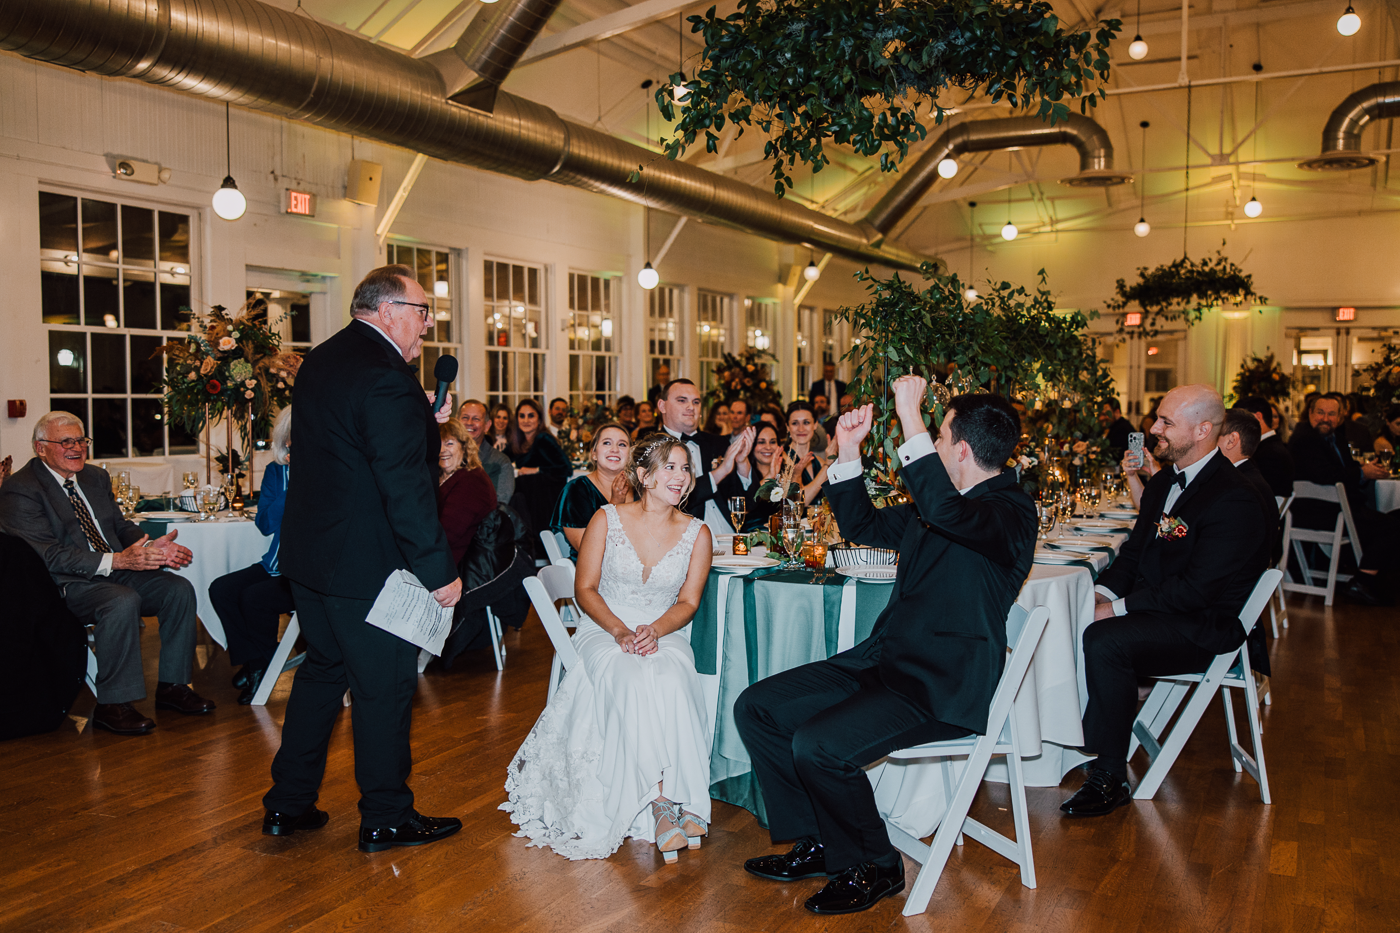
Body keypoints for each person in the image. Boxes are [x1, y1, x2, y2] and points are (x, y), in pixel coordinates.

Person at [735, 380, 1036, 915]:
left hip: (939, 686)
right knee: (758, 707)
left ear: (959, 448)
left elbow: (948, 515)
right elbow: (862, 524)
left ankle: (876, 863)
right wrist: (847, 452)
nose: (930, 445)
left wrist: (907, 412)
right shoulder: (938, 503)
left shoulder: (1009, 511)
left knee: (819, 746)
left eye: (937, 437)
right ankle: (823, 842)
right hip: (884, 661)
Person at [262, 264, 463, 852]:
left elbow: (348, 445)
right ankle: (386, 816)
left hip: (313, 555)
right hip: (366, 563)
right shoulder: (388, 377)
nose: (427, 325)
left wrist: (417, 416)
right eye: (422, 311)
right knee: (383, 687)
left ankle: (288, 804)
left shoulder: (324, 359)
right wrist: (438, 569)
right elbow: (401, 483)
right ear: (387, 309)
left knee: (322, 674)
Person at [1061, 385, 1270, 818]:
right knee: (1076, 618)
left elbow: (1196, 592)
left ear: (1203, 430)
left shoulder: (1234, 497)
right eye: (1157, 418)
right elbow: (1134, 555)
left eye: (1166, 422)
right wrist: (1100, 594)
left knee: (1106, 639)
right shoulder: (1164, 484)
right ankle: (1070, 740)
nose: (1153, 428)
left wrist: (1113, 610)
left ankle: (1109, 775)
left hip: (1204, 625)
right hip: (1167, 610)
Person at [502, 436, 714, 863]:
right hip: (604, 627)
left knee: (671, 676)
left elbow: (689, 603)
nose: (679, 476)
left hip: (664, 630)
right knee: (629, 676)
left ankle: (680, 797)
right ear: (644, 476)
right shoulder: (607, 518)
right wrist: (619, 631)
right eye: (669, 467)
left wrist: (654, 630)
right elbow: (585, 588)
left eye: (685, 469)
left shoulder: (698, 532)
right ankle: (659, 803)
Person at [0, 411, 212, 735]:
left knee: (177, 589)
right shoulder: (21, 489)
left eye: (81, 440)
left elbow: (119, 525)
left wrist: (150, 545)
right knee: (121, 601)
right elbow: (48, 554)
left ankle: (173, 686)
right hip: (62, 582)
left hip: (114, 567)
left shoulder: (95, 478)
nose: (77, 448)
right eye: (66, 442)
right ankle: (112, 705)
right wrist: (118, 561)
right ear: (40, 448)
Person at [209, 405, 297, 705]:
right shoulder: (276, 472)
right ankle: (256, 662)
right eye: (293, 439)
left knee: (255, 598)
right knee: (221, 589)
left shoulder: (330, 471)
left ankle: (261, 669)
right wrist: (292, 483)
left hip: (304, 570)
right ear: (286, 443)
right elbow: (265, 524)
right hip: (274, 564)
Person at [1288, 393, 1397, 605]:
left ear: (1339, 418)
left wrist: (1366, 470)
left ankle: (1376, 580)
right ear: (1309, 414)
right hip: (1322, 513)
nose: (1325, 418)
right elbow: (1324, 474)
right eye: (1320, 413)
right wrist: (1362, 473)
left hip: (1340, 509)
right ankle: (1364, 580)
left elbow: (1344, 470)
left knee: (1394, 519)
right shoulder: (1305, 440)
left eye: (1331, 414)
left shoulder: (1335, 437)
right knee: (1391, 525)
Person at [1217, 408, 1278, 681]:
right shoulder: (1245, 479)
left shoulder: (1238, 490)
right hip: (1231, 603)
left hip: (1221, 617)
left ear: (1231, 441)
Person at [654, 379, 754, 524]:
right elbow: (673, 502)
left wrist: (742, 463)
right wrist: (719, 472)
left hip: (730, 530)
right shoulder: (652, 448)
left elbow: (747, 501)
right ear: (662, 406)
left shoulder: (718, 443)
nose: (691, 407)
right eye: (682, 401)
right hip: (685, 535)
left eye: (696, 402)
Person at [550, 423, 634, 558]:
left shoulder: (640, 491)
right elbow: (585, 548)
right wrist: (614, 504)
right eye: (607, 443)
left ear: (630, 455)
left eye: (622, 444)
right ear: (594, 454)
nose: (615, 449)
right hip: (594, 573)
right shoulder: (577, 490)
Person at [508, 398, 571, 558]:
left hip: (543, 505)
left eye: (531, 416)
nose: (526, 420)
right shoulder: (518, 441)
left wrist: (535, 470)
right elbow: (502, 459)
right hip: (529, 504)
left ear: (539, 419)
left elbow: (565, 468)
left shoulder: (544, 439)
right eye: (522, 416)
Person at [437, 419, 497, 566]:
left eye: (449, 443)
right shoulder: (439, 477)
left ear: (464, 447)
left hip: (459, 568)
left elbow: (447, 536)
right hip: (441, 559)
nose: (442, 450)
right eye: (438, 444)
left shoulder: (472, 480)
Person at [456, 399, 516, 504]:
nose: (469, 423)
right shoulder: (445, 458)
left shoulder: (501, 463)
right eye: (465, 417)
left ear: (487, 426)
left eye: (476, 419)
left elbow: (499, 506)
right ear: (457, 422)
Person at [1235, 396, 1294, 500]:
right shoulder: (1271, 447)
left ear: (1257, 417)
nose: (1235, 427)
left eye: (1239, 420)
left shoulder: (1270, 454)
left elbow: (1254, 493)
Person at [786, 401, 832, 507]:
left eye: (806, 422)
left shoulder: (820, 462)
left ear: (815, 425)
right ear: (787, 427)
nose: (801, 429)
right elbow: (795, 504)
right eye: (795, 423)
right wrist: (828, 465)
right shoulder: (781, 461)